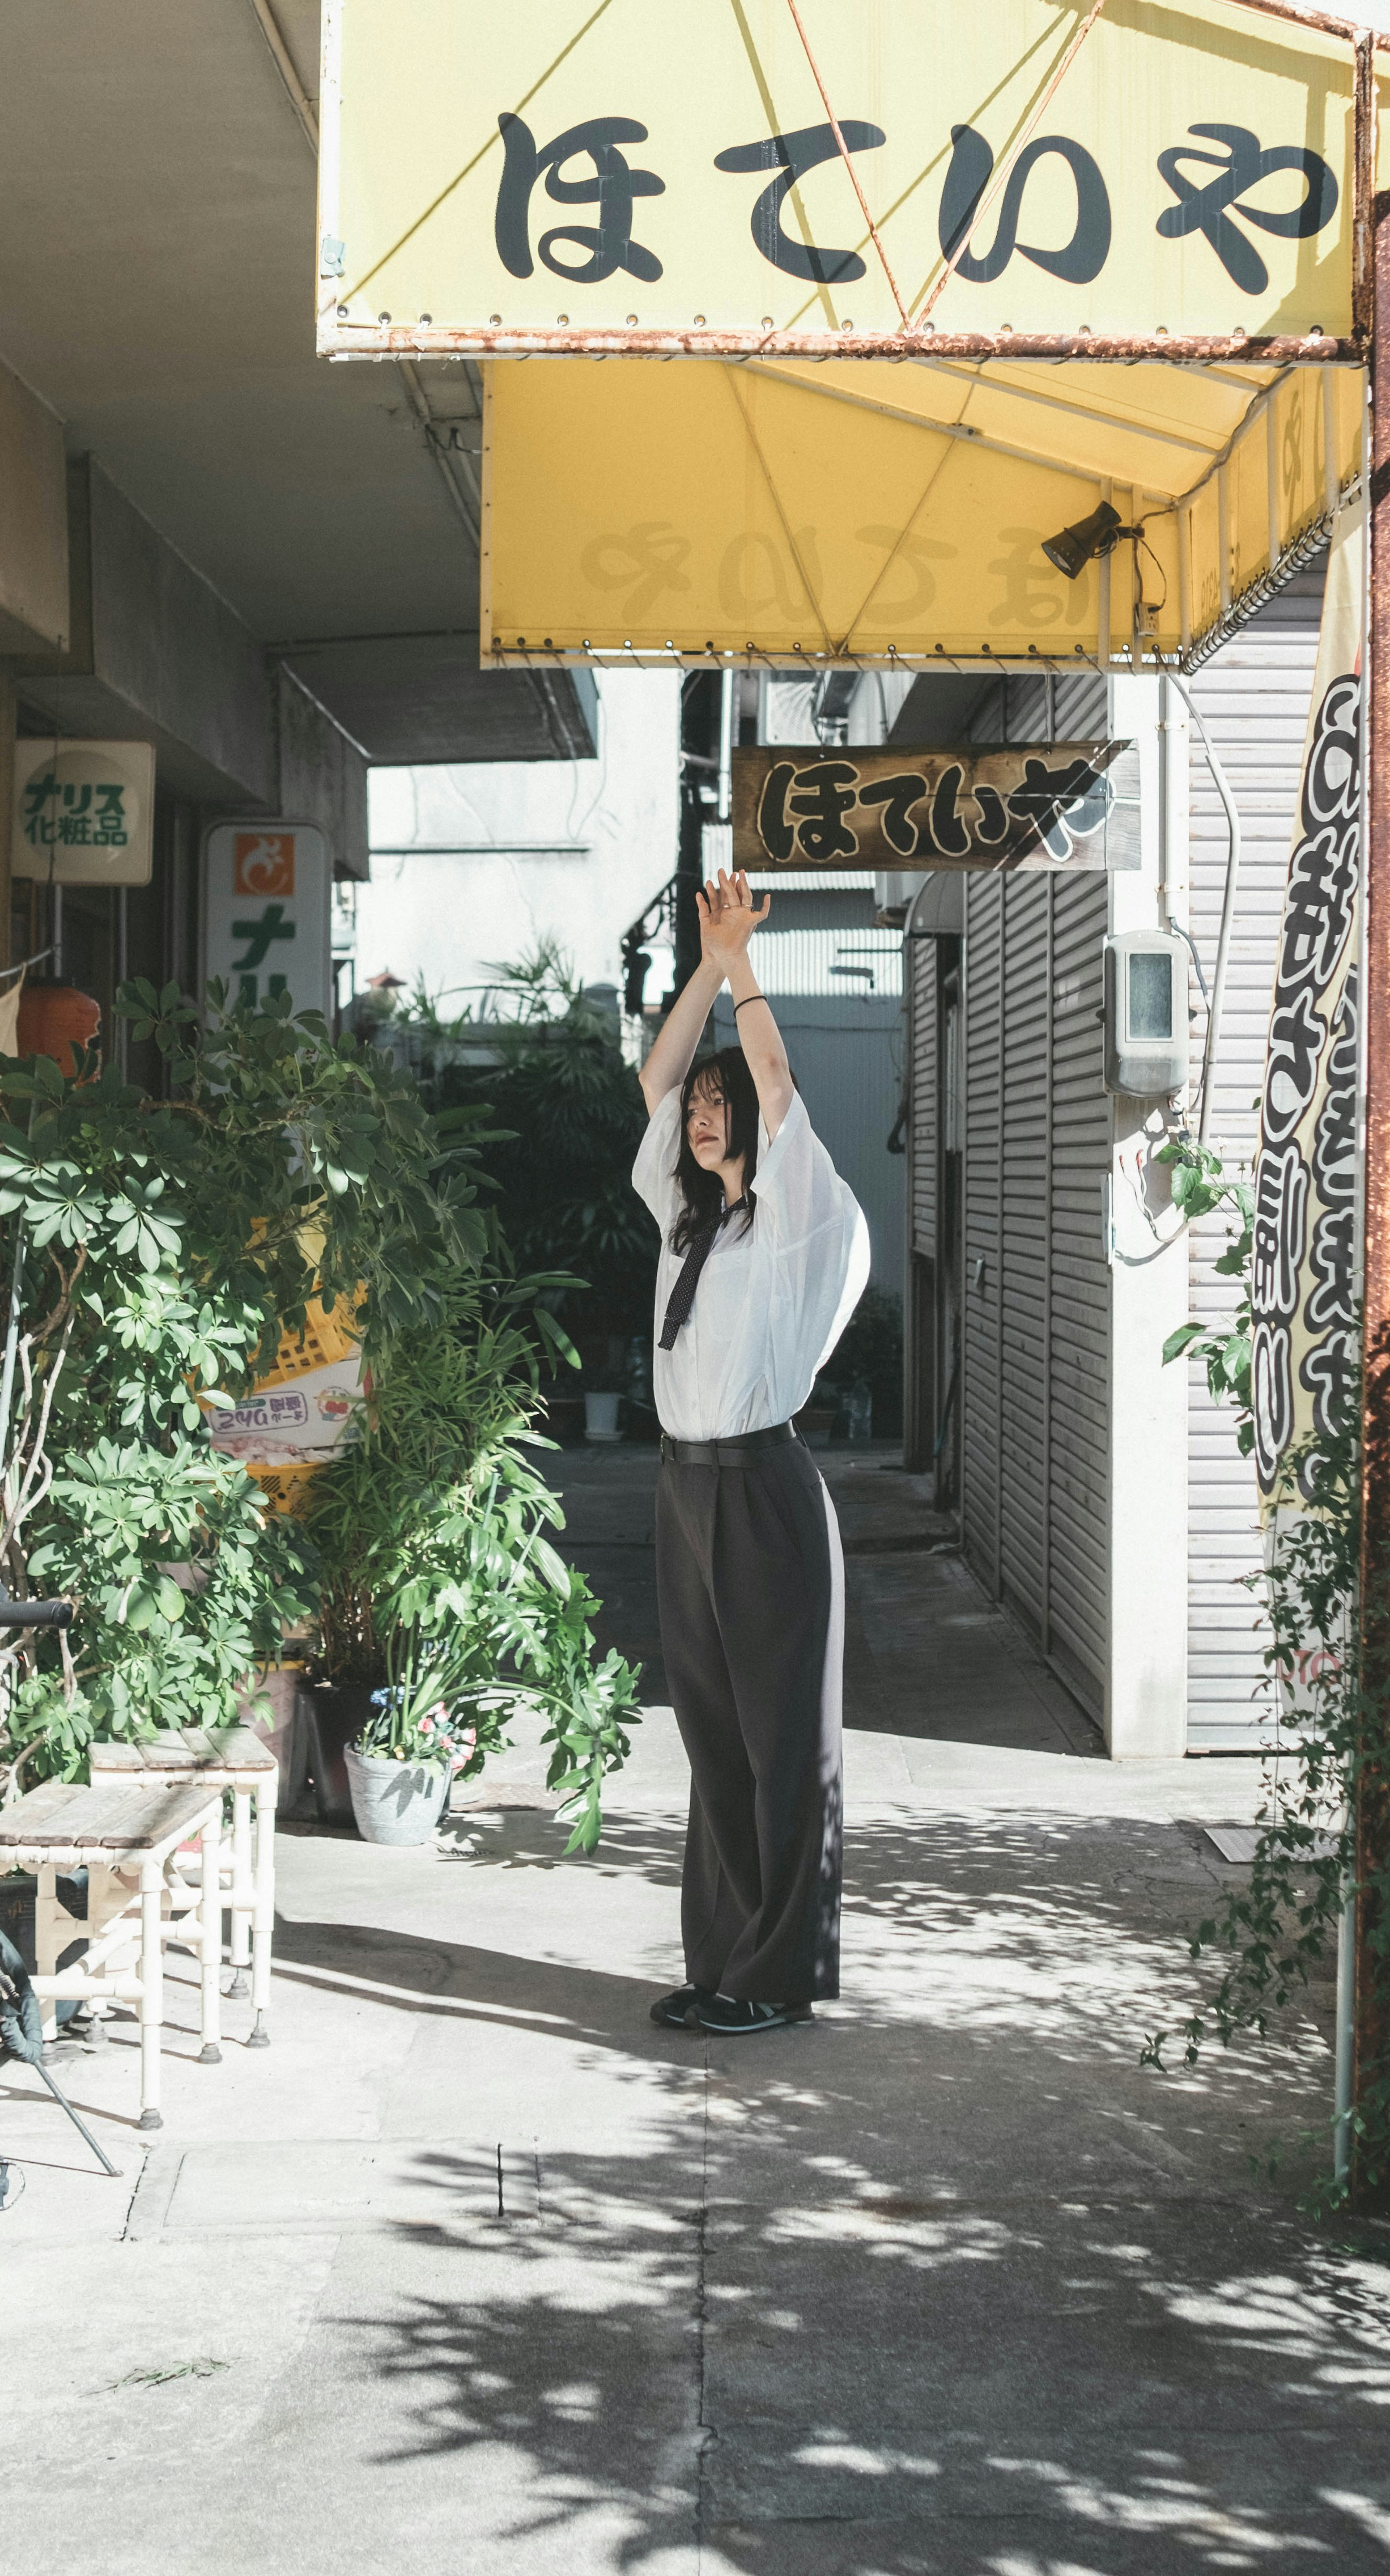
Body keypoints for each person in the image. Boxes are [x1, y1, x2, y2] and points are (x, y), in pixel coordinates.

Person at [632, 867, 868, 2036]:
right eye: (697, 1111)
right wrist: (700, 966)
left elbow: (771, 1079)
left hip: (765, 1491)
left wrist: (741, 962)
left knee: (783, 1742)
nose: (701, 1112)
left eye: (718, 1106)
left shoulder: (793, 1217)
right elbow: (655, 1072)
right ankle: (723, 1962)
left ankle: (778, 1978)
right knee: (713, 1737)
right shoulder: (685, 1220)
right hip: (685, 1487)